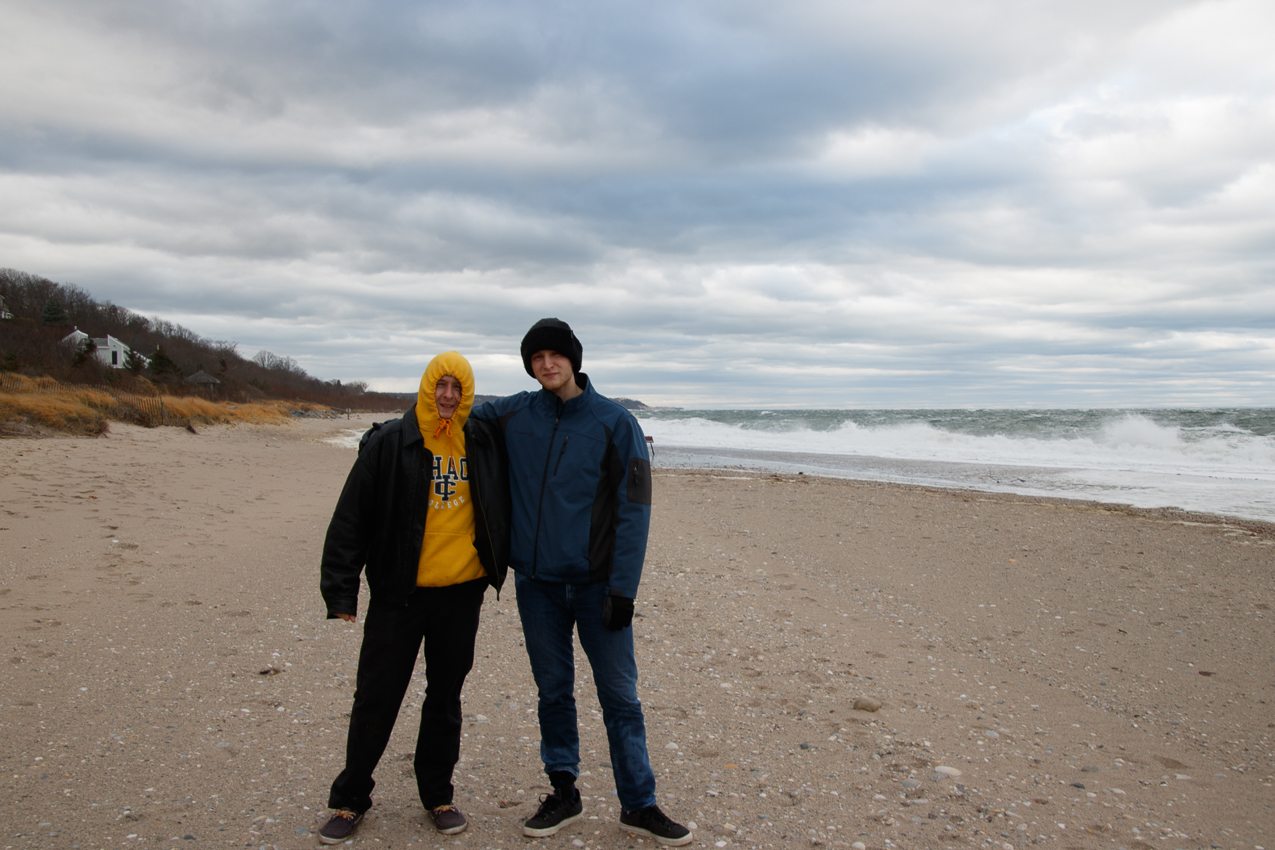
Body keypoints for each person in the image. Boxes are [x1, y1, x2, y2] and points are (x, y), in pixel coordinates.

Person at [470, 318, 692, 846]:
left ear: (574, 359)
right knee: (553, 692)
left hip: (598, 588)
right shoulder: (513, 413)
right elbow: (448, 418)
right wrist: (391, 434)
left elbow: (635, 510)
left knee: (620, 697)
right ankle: (564, 793)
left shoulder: (615, 422)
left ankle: (638, 804)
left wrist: (624, 590)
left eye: (556, 355)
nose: (547, 364)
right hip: (538, 586)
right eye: (536, 357)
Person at [317, 351, 509, 845]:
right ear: (426, 389)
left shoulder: (481, 443)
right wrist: (340, 590)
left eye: (457, 389)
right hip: (399, 594)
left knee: (444, 699)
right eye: (440, 386)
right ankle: (349, 799)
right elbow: (350, 519)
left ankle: (438, 795)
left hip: (461, 596)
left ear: (467, 395)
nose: (448, 397)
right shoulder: (389, 442)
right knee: (376, 699)